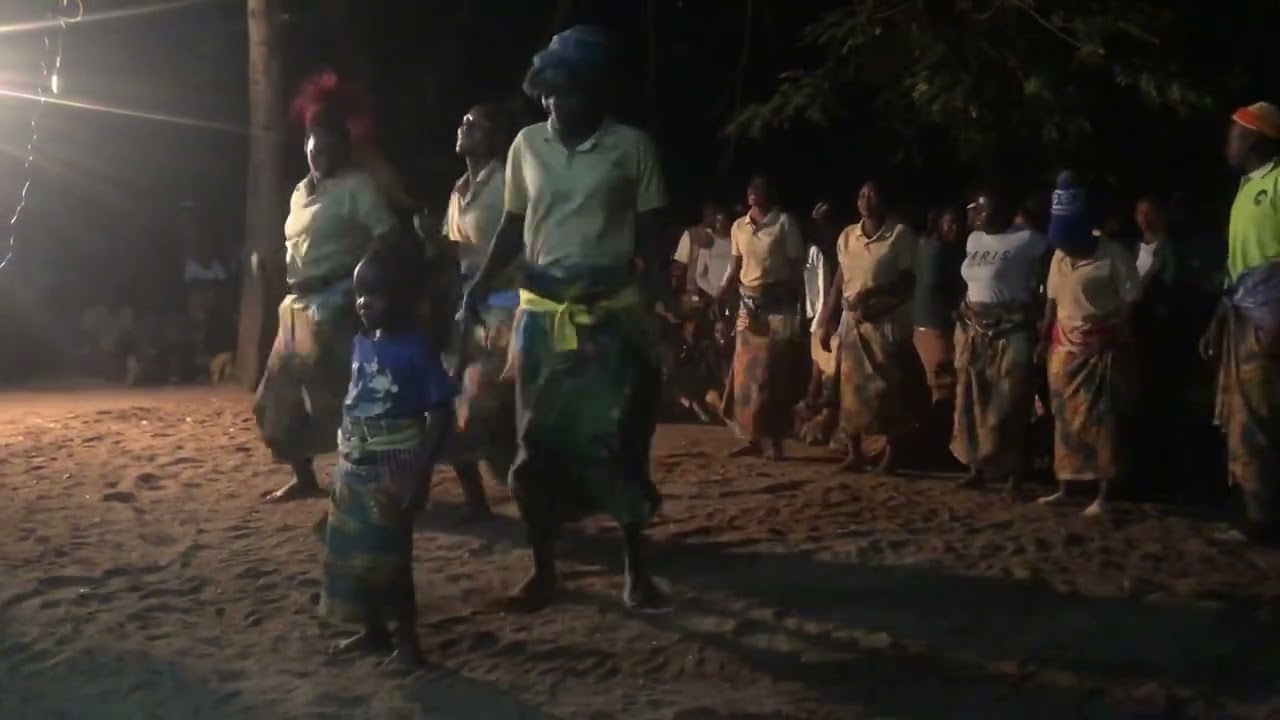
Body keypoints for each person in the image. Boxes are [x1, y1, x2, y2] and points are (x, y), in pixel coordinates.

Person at [462, 25, 669, 611]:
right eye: (549, 92)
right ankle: (543, 569)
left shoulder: (632, 147)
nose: (559, 103)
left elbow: (653, 231)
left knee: (623, 438)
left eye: (572, 91)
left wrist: (660, 300)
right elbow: (511, 226)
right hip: (542, 314)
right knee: (538, 443)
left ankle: (636, 569)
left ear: (598, 91)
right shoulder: (526, 145)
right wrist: (479, 282)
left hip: (611, 314)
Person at [254, 73, 401, 502]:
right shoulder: (300, 192)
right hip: (296, 305)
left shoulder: (358, 187)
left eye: (332, 147)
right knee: (276, 398)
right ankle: (304, 478)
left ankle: (358, 479)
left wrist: (357, 285)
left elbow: (387, 236)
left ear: (345, 147)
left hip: (337, 301)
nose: (322, 155)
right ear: (306, 147)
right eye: (316, 147)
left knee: (334, 395)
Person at [320, 245, 455, 668]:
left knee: (390, 559)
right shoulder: (362, 344)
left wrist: (420, 474)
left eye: (374, 294)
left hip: (394, 467)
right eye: (361, 294)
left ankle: (407, 644)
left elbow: (441, 412)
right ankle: (372, 632)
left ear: (403, 298)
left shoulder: (416, 350)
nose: (364, 303)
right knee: (355, 553)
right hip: (354, 465)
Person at [1036, 171, 1140, 517]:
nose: (1064, 247)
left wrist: (1112, 333)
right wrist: (1043, 337)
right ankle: (1067, 485)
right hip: (1062, 348)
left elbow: (1130, 302)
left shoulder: (1114, 255)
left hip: (1100, 349)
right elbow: (1052, 302)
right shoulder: (1058, 258)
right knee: (1063, 419)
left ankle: (1104, 492)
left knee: (1102, 420)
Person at [1203, 101, 1280, 545]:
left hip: (1268, 317)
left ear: (1254, 137)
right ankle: (1255, 510)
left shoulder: (1276, 182)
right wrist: (1218, 319)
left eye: (1234, 134)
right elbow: (1239, 266)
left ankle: (1263, 520)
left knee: (1260, 418)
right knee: (1243, 415)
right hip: (1243, 313)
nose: (1228, 143)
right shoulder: (1245, 190)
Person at [440, 103, 521, 519]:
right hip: (469, 310)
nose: (464, 126)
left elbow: (522, 242)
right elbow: (456, 254)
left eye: (475, 124)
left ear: (495, 137)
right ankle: (478, 502)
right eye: (463, 120)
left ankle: (526, 497)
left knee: (479, 407)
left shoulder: (509, 181)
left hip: (505, 307)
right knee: (448, 403)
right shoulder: (458, 190)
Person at [951, 193, 1050, 493]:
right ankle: (977, 467)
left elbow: (1046, 285)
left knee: (1011, 402)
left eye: (984, 207)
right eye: (976, 207)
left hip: (1012, 328)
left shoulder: (1030, 240)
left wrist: (1038, 321)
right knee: (973, 397)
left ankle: (1014, 473)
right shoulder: (974, 240)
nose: (978, 213)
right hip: (975, 328)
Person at [818, 180, 918, 474]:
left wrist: (877, 303)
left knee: (888, 387)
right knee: (848, 387)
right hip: (853, 321)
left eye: (873, 194)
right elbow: (839, 280)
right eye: (861, 194)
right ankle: (854, 451)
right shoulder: (848, 235)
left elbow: (906, 283)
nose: (866, 199)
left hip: (886, 322)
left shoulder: (899, 235)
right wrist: (827, 317)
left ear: (885, 200)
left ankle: (892, 454)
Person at [715, 174, 806, 459]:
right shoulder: (739, 226)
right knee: (745, 374)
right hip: (749, 303)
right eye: (750, 188)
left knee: (773, 375)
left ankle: (775, 439)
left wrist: (788, 298)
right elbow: (736, 264)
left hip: (776, 305)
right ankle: (752, 437)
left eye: (759, 189)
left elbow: (795, 267)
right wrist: (721, 291)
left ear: (770, 194)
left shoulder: (783, 223)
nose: (753, 193)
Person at [912, 203, 966, 455]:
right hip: (936, 324)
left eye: (957, 223)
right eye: (950, 223)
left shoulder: (925, 245)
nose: (955, 228)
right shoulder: (939, 251)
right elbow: (936, 286)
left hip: (924, 322)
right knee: (943, 386)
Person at [795, 201, 839, 446]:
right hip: (819, 318)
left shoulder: (829, 250)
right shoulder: (816, 249)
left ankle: (822, 421)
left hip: (827, 319)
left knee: (828, 374)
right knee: (819, 371)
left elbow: (824, 290)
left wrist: (823, 320)